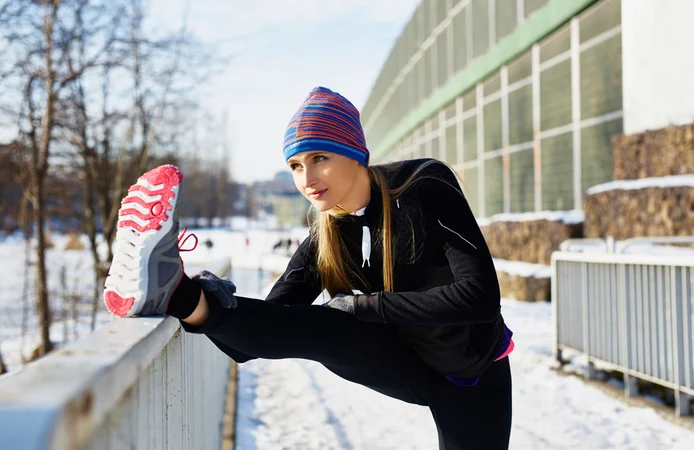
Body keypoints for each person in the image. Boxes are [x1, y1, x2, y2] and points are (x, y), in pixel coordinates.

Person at [103, 86, 513, 450]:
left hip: (471, 370)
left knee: (343, 312)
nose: (308, 178)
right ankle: (176, 293)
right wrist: (206, 301)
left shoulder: (424, 184)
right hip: (406, 361)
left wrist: (364, 306)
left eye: (319, 158)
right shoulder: (326, 232)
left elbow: (479, 298)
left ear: (356, 153)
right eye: (296, 165)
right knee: (321, 325)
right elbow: (258, 337)